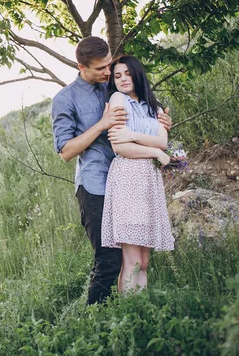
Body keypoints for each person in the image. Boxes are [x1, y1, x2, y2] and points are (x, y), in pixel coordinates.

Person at [51, 37, 172, 305]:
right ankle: (96, 321)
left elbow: (142, 113)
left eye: (109, 65)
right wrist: (101, 124)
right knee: (108, 259)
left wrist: (161, 121)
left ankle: (128, 312)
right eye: (101, 69)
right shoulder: (65, 99)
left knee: (136, 257)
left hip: (130, 182)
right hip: (95, 185)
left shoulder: (114, 85)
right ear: (82, 67)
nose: (108, 73)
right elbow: (65, 152)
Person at [102, 55, 175, 295]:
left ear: (137, 73)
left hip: (148, 181)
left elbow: (163, 142)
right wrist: (153, 149)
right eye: (117, 75)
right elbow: (120, 148)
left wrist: (133, 136)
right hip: (128, 178)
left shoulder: (153, 106)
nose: (122, 79)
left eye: (127, 73)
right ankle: (129, 313)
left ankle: (140, 309)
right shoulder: (117, 99)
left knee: (144, 261)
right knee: (132, 260)